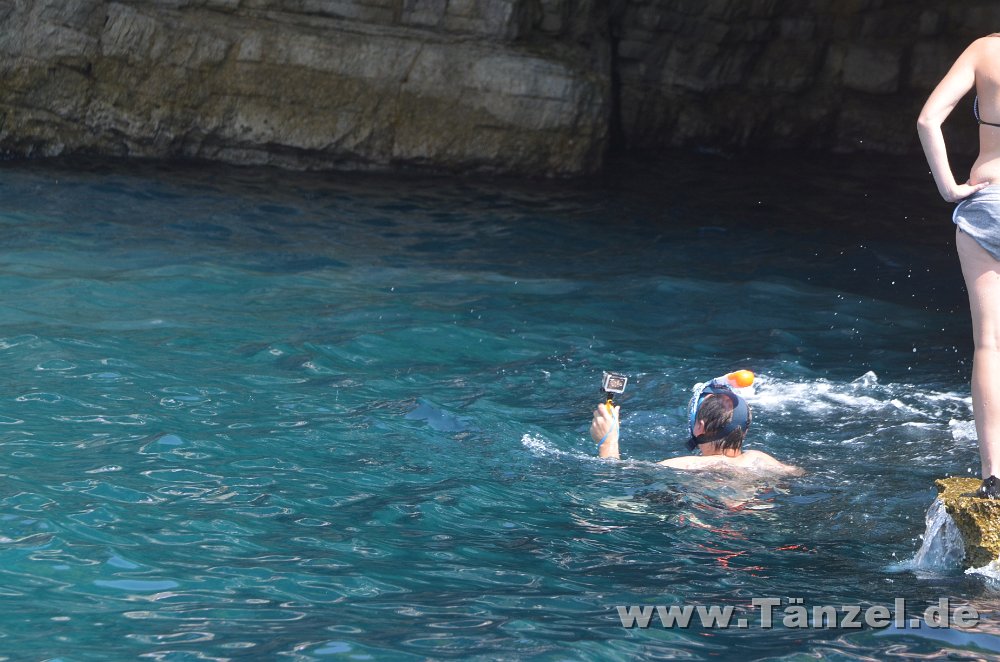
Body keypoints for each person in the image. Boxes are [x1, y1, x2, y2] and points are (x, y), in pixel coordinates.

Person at [918, 35, 1000, 498]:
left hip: (988, 201)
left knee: (990, 344)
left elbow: (928, 119)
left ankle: (994, 476)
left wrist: (949, 187)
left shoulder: (985, 50)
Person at [591, 380, 801, 475]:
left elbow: (615, 486)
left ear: (700, 427)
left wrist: (608, 443)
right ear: (745, 430)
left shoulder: (684, 466)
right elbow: (798, 473)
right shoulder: (762, 460)